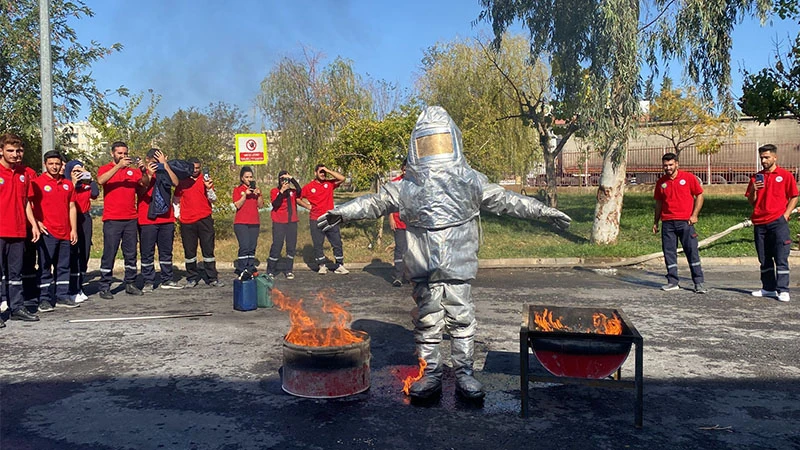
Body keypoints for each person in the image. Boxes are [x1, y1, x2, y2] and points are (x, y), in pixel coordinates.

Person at [317, 106, 572, 400]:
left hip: (457, 265)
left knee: (461, 319)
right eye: (428, 142)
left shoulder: (469, 181)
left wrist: (542, 211)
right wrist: (344, 212)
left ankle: (464, 373)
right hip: (424, 266)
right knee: (427, 321)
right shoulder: (407, 187)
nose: (434, 149)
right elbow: (375, 202)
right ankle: (431, 373)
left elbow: (506, 200)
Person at [746, 144, 799, 302]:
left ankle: (783, 290)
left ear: (775, 157)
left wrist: (786, 214)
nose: (763, 161)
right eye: (761, 158)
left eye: (767, 157)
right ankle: (768, 288)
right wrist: (754, 189)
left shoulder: (785, 175)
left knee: (781, 256)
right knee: (764, 258)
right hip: (760, 222)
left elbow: (794, 196)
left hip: (778, 222)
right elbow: (752, 201)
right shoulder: (756, 177)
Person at [96, 141, 149, 299]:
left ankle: (130, 283)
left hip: (130, 218)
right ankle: (104, 286)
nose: (123, 156)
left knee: (131, 253)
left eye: (125, 153)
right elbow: (100, 180)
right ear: (112, 153)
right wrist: (118, 167)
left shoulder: (132, 171)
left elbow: (145, 183)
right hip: (112, 219)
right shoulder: (106, 168)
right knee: (109, 253)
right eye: (120, 153)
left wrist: (143, 171)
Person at [31, 150, 80, 312]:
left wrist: (73, 229)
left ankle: (62, 296)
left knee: (64, 265)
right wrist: (37, 222)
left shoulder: (67, 184)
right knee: (45, 266)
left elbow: (72, 207)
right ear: (45, 164)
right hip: (47, 232)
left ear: (61, 165)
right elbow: (29, 205)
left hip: (65, 232)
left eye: (57, 164)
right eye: (51, 163)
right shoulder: (37, 183)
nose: (54, 167)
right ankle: (44, 298)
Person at [0, 133, 41, 324]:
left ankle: (17, 307)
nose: (15, 154)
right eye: (10, 150)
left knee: (16, 273)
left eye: (17, 151)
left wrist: (33, 224)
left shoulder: (24, 174)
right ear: (1, 151)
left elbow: (25, 203)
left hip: (17, 230)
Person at [652, 153, 706, 293]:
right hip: (668, 223)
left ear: (677, 164)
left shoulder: (688, 178)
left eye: (671, 165)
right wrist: (656, 222)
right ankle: (672, 282)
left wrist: (694, 215)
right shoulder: (661, 182)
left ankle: (699, 282)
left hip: (685, 222)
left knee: (692, 251)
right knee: (669, 253)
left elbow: (699, 195)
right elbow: (659, 203)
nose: (668, 168)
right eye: (665, 165)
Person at [138, 148, 182, 291]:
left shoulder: (165, 171)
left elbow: (176, 183)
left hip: (166, 218)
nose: (157, 164)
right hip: (147, 219)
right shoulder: (142, 171)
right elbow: (141, 190)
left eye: (159, 161)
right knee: (147, 252)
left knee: (166, 251)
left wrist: (165, 165)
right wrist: (149, 174)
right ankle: (148, 280)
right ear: (147, 160)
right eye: (154, 161)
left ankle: (167, 278)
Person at [174, 158, 223, 288]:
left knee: (208, 249)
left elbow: (213, 199)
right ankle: (191, 277)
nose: (196, 170)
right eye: (193, 168)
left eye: (198, 168)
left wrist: (209, 188)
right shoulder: (182, 181)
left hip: (204, 219)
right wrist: (177, 215)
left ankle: (212, 278)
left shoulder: (205, 180)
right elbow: (176, 199)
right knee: (189, 251)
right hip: (187, 221)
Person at [301, 164, 349, 274]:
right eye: (320, 172)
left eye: (324, 172)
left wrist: (328, 170)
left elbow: (342, 178)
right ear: (315, 173)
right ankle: (322, 265)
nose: (323, 174)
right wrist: (307, 206)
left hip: (330, 217)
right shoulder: (309, 187)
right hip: (316, 218)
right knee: (318, 243)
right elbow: (298, 198)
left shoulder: (329, 184)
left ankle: (339, 265)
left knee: (337, 242)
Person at [65, 159, 98, 303]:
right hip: (70, 218)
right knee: (73, 253)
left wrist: (88, 176)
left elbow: (95, 193)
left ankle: (80, 285)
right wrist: (72, 182)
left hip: (85, 219)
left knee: (84, 252)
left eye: (80, 171)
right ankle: (71, 287)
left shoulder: (85, 185)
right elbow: (66, 198)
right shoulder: (66, 185)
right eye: (75, 171)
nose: (78, 174)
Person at [267, 170, 310, 279]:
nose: (284, 181)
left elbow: (300, 191)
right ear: (279, 180)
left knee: (291, 246)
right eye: (282, 179)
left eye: (286, 179)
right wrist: (282, 191)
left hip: (292, 222)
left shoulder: (292, 192)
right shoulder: (274, 191)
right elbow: (275, 204)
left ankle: (288, 270)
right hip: (279, 222)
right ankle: (271, 270)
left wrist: (292, 179)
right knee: (277, 245)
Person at [232, 166, 263, 279]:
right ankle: (242, 268)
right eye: (247, 177)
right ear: (242, 178)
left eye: (251, 177)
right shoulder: (238, 190)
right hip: (241, 222)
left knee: (252, 246)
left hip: (254, 222)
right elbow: (237, 205)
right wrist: (245, 194)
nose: (249, 179)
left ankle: (250, 267)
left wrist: (258, 195)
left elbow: (260, 205)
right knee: (244, 246)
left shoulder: (256, 190)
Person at [388, 159, 408, 287]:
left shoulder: (418, 183)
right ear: (402, 169)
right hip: (399, 222)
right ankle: (398, 276)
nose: (406, 172)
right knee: (400, 249)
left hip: (414, 224)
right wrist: (391, 218)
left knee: (413, 250)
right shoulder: (395, 183)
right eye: (404, 169)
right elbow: (389, 203)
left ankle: (411, 276)